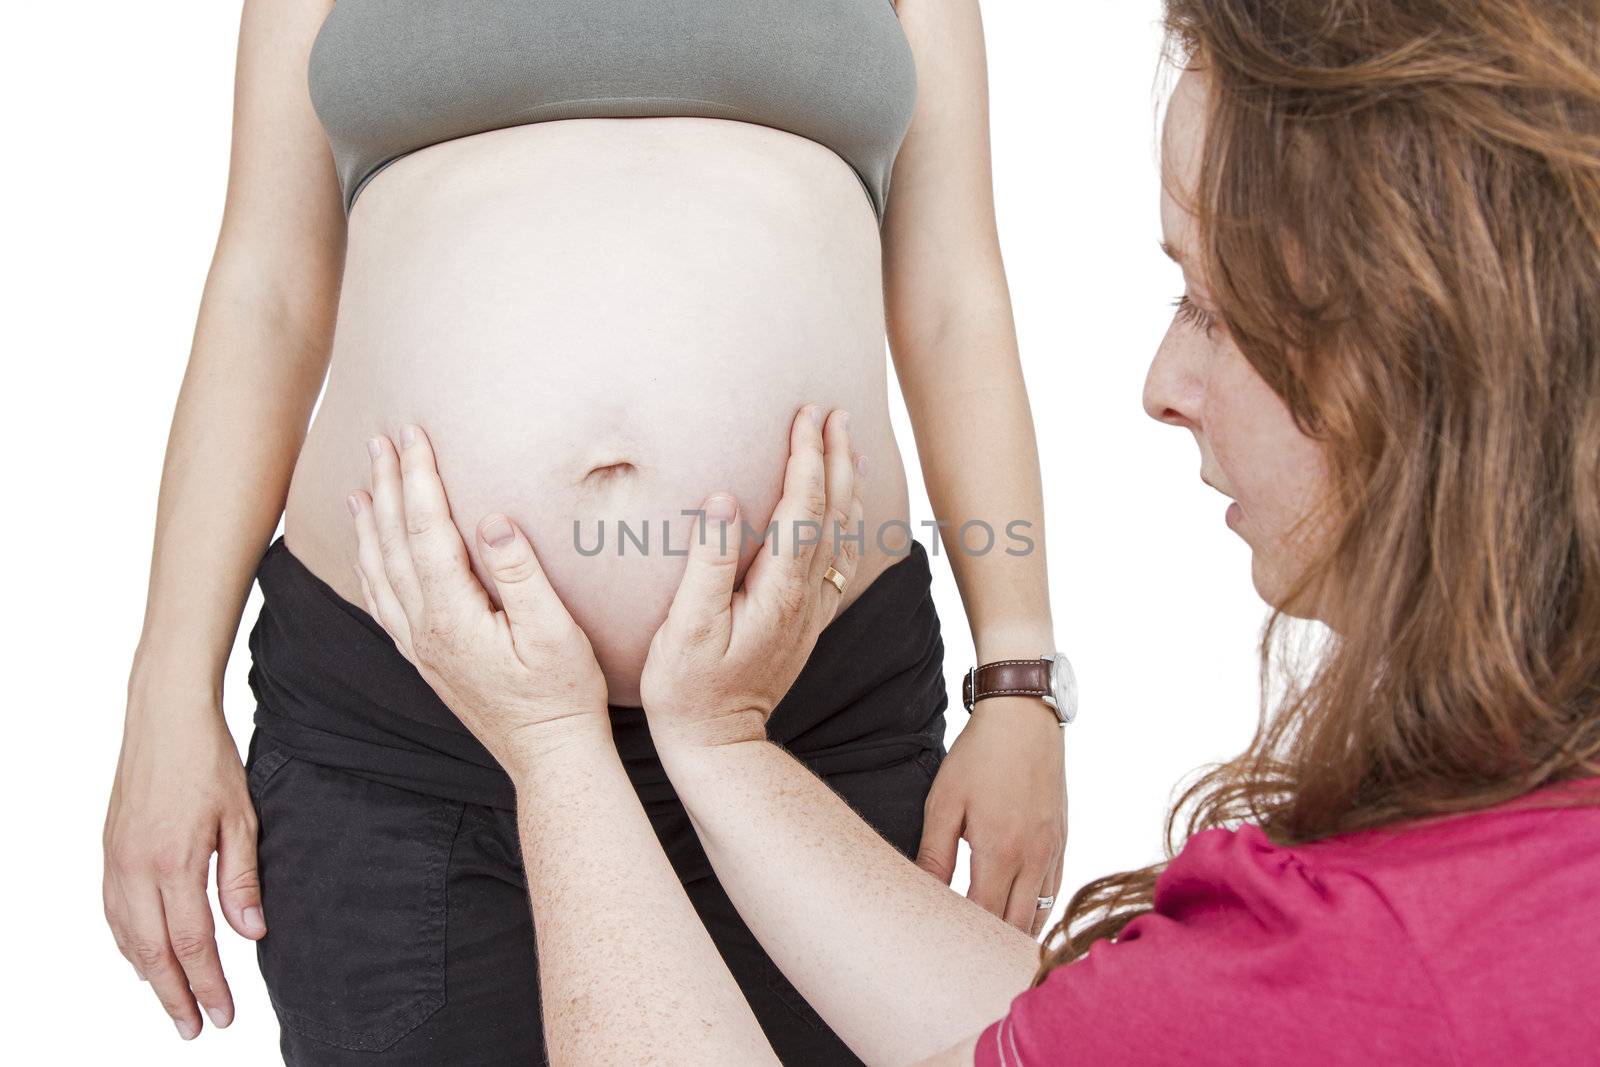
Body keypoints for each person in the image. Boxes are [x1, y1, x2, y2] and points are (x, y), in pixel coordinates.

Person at [342, 0, 1600, 1063]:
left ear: (1428, 356)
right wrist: (714, 742)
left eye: (1213, 308)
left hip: (818, 693)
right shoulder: (1521, 865)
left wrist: (559, 752)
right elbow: (1052, 1036)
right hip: (418, 723)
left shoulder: (1366, 952)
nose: (1160, 385)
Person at [102, 1, 1065, 1060]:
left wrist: (1019, 675)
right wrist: (166, 694)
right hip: (407, 728)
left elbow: (953, 304)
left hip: (812, 713)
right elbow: (266, 298)